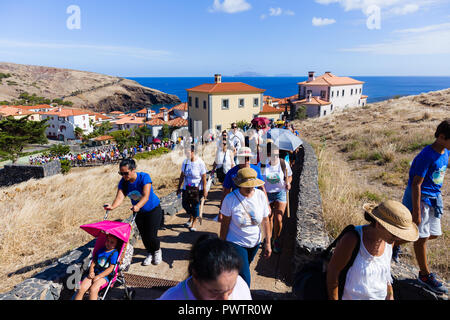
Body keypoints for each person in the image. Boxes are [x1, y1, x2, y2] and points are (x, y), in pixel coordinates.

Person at [392, 119, 449, 294]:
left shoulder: (445, 151)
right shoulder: (426, 155)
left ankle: (392, 244)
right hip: (421, 199)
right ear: (441, 137)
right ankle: (424, 275)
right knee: (419, 237)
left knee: (432, 234)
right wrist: (416, 212)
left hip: (433, 199)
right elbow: (416, 184)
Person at [326, 200, 419, 300]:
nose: (398, 238)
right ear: (379, 225)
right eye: (394, 233)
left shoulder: (389, 243)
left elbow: (385, 276)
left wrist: (390, 294)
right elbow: (333, 272)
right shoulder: (352, 239)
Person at [104, 158, 163, 266]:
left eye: (126, 173)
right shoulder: (123, 183)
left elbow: (146, 196)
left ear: (133, 170)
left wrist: (138, 205)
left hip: (153, 210)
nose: (123, 176)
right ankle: (150, 253)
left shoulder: (144, 177)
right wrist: (112, 207)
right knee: (144, 235)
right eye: (121, 173)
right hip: (138, 212)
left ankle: (157, 251)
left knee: (151, 235)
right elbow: (120, 197)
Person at [219, 167, 272, 287]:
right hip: (236, 242)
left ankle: (233, 289)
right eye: (246, 185)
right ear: (239, 184)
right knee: (245, 278)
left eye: (252, 185)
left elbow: (265, 220)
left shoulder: (260, 196)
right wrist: (222, 244)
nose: (249, 188)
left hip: (255, 243)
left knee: (241, 270)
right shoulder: (230, 199)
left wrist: (268, 242)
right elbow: (225, 224)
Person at [158, 234, 251, 300]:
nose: (225, 299)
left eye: (230, 290)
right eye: (215, 292)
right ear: (195, 277)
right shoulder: (172, 297)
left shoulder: (240, 284)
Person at [219, 147, 267, 221]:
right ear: (239, 159)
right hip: (236, 205)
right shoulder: (231, 173)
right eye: (244, 158)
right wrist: (221, 211)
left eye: (248, 158)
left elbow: (262, 188)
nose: (246, 161)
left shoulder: (256, 170)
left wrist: (267, 205)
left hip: (254, 203)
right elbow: (226, 192)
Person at [261, 141, 292, 254]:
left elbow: (289, 176)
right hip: (267, 193)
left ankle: (276, 239)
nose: (274, 156)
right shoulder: (263, 164)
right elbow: (260, 180)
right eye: (271, 153)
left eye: (276, 153)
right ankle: (268, 239)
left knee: (278, 218)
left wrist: (288, 182)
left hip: (280, 192)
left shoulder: (283, 163)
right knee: (268, 218)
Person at [74, 234, 120, 300]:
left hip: (104, 276)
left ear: (116, 244)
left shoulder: (114, 253)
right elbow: (93, 262)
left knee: (93, 289)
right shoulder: (101, 250)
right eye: (107, 240)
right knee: (81, 288)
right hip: (95, 272)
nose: (108, 243)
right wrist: (91, 271)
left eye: (112, 242)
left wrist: (99, 276)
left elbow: (111, 268)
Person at [177, 145, 208, 232]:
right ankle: (191, 216)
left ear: (193, 152)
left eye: (188, 153)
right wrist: (178, 187)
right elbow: (182, 175)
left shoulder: (200, 163)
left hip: (197, 188)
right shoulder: (185, 162)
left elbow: (204, 177)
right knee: (185, 204)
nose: (186, 154)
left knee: (195, 206)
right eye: (185, 153)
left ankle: (194, 221)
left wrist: (205, 190)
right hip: (186, 187)